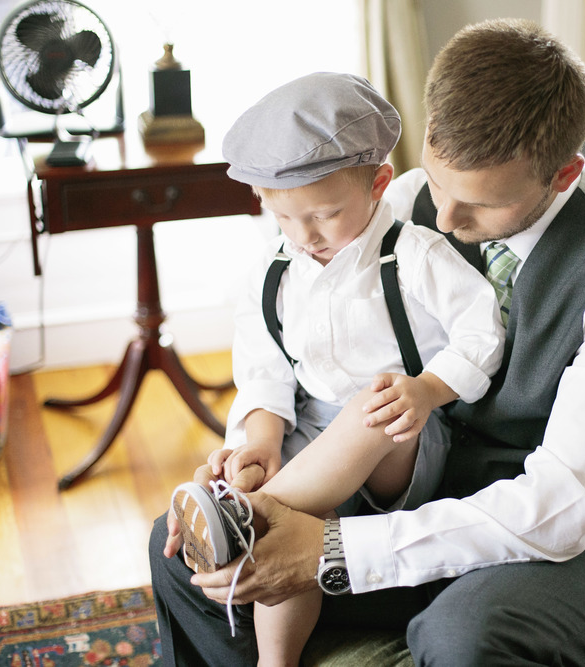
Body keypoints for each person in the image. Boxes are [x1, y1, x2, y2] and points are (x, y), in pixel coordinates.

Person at [150, 18, 585, 666]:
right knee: (191, 552)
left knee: (463, 637)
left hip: (580, 542)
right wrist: (251, 441)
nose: (444, 220)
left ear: (562, 175)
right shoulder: (401, 204)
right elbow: (300, 347)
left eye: (479, 206)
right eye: (438, 185)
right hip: (424, 493)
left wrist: (330, 552)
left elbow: (562, 506)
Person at [166, 71, 504, 666]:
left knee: (369, 402)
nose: (305, 237)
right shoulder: (270, 276)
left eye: (323, 215)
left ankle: (239, 514)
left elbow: (483, 331)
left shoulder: (415, 256)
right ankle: (276, 653)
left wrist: (427, 389)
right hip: (309, 433)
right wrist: (262, 441)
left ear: (378, 184)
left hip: (400, 440)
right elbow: (265, 376)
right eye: (284, 219)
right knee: (290, 511)